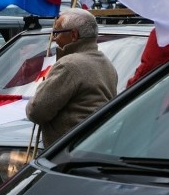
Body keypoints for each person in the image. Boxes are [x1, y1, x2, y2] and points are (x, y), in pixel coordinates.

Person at [26, 8, 117, 148]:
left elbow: (37, 111)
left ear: (74, 35)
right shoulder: (106, 62)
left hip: (68, 150)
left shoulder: (68, 65)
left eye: (57, 33)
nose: (54, 39)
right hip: (95, 145)